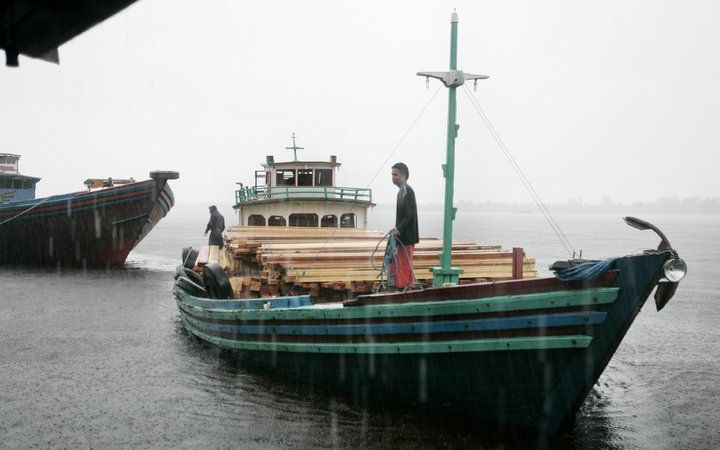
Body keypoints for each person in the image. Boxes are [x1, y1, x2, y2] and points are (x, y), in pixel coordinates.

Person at [390, 162, 419, 290]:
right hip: (401, 238)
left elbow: (410, 215)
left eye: (395, 174)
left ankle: (406, 289)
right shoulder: (400, 193)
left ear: (403, 175)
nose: (393, 177)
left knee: (405, 266)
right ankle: (402, 289)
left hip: (407, 237)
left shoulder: (408, 191)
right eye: (392, 174)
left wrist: (398, 228)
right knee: (398, 265)